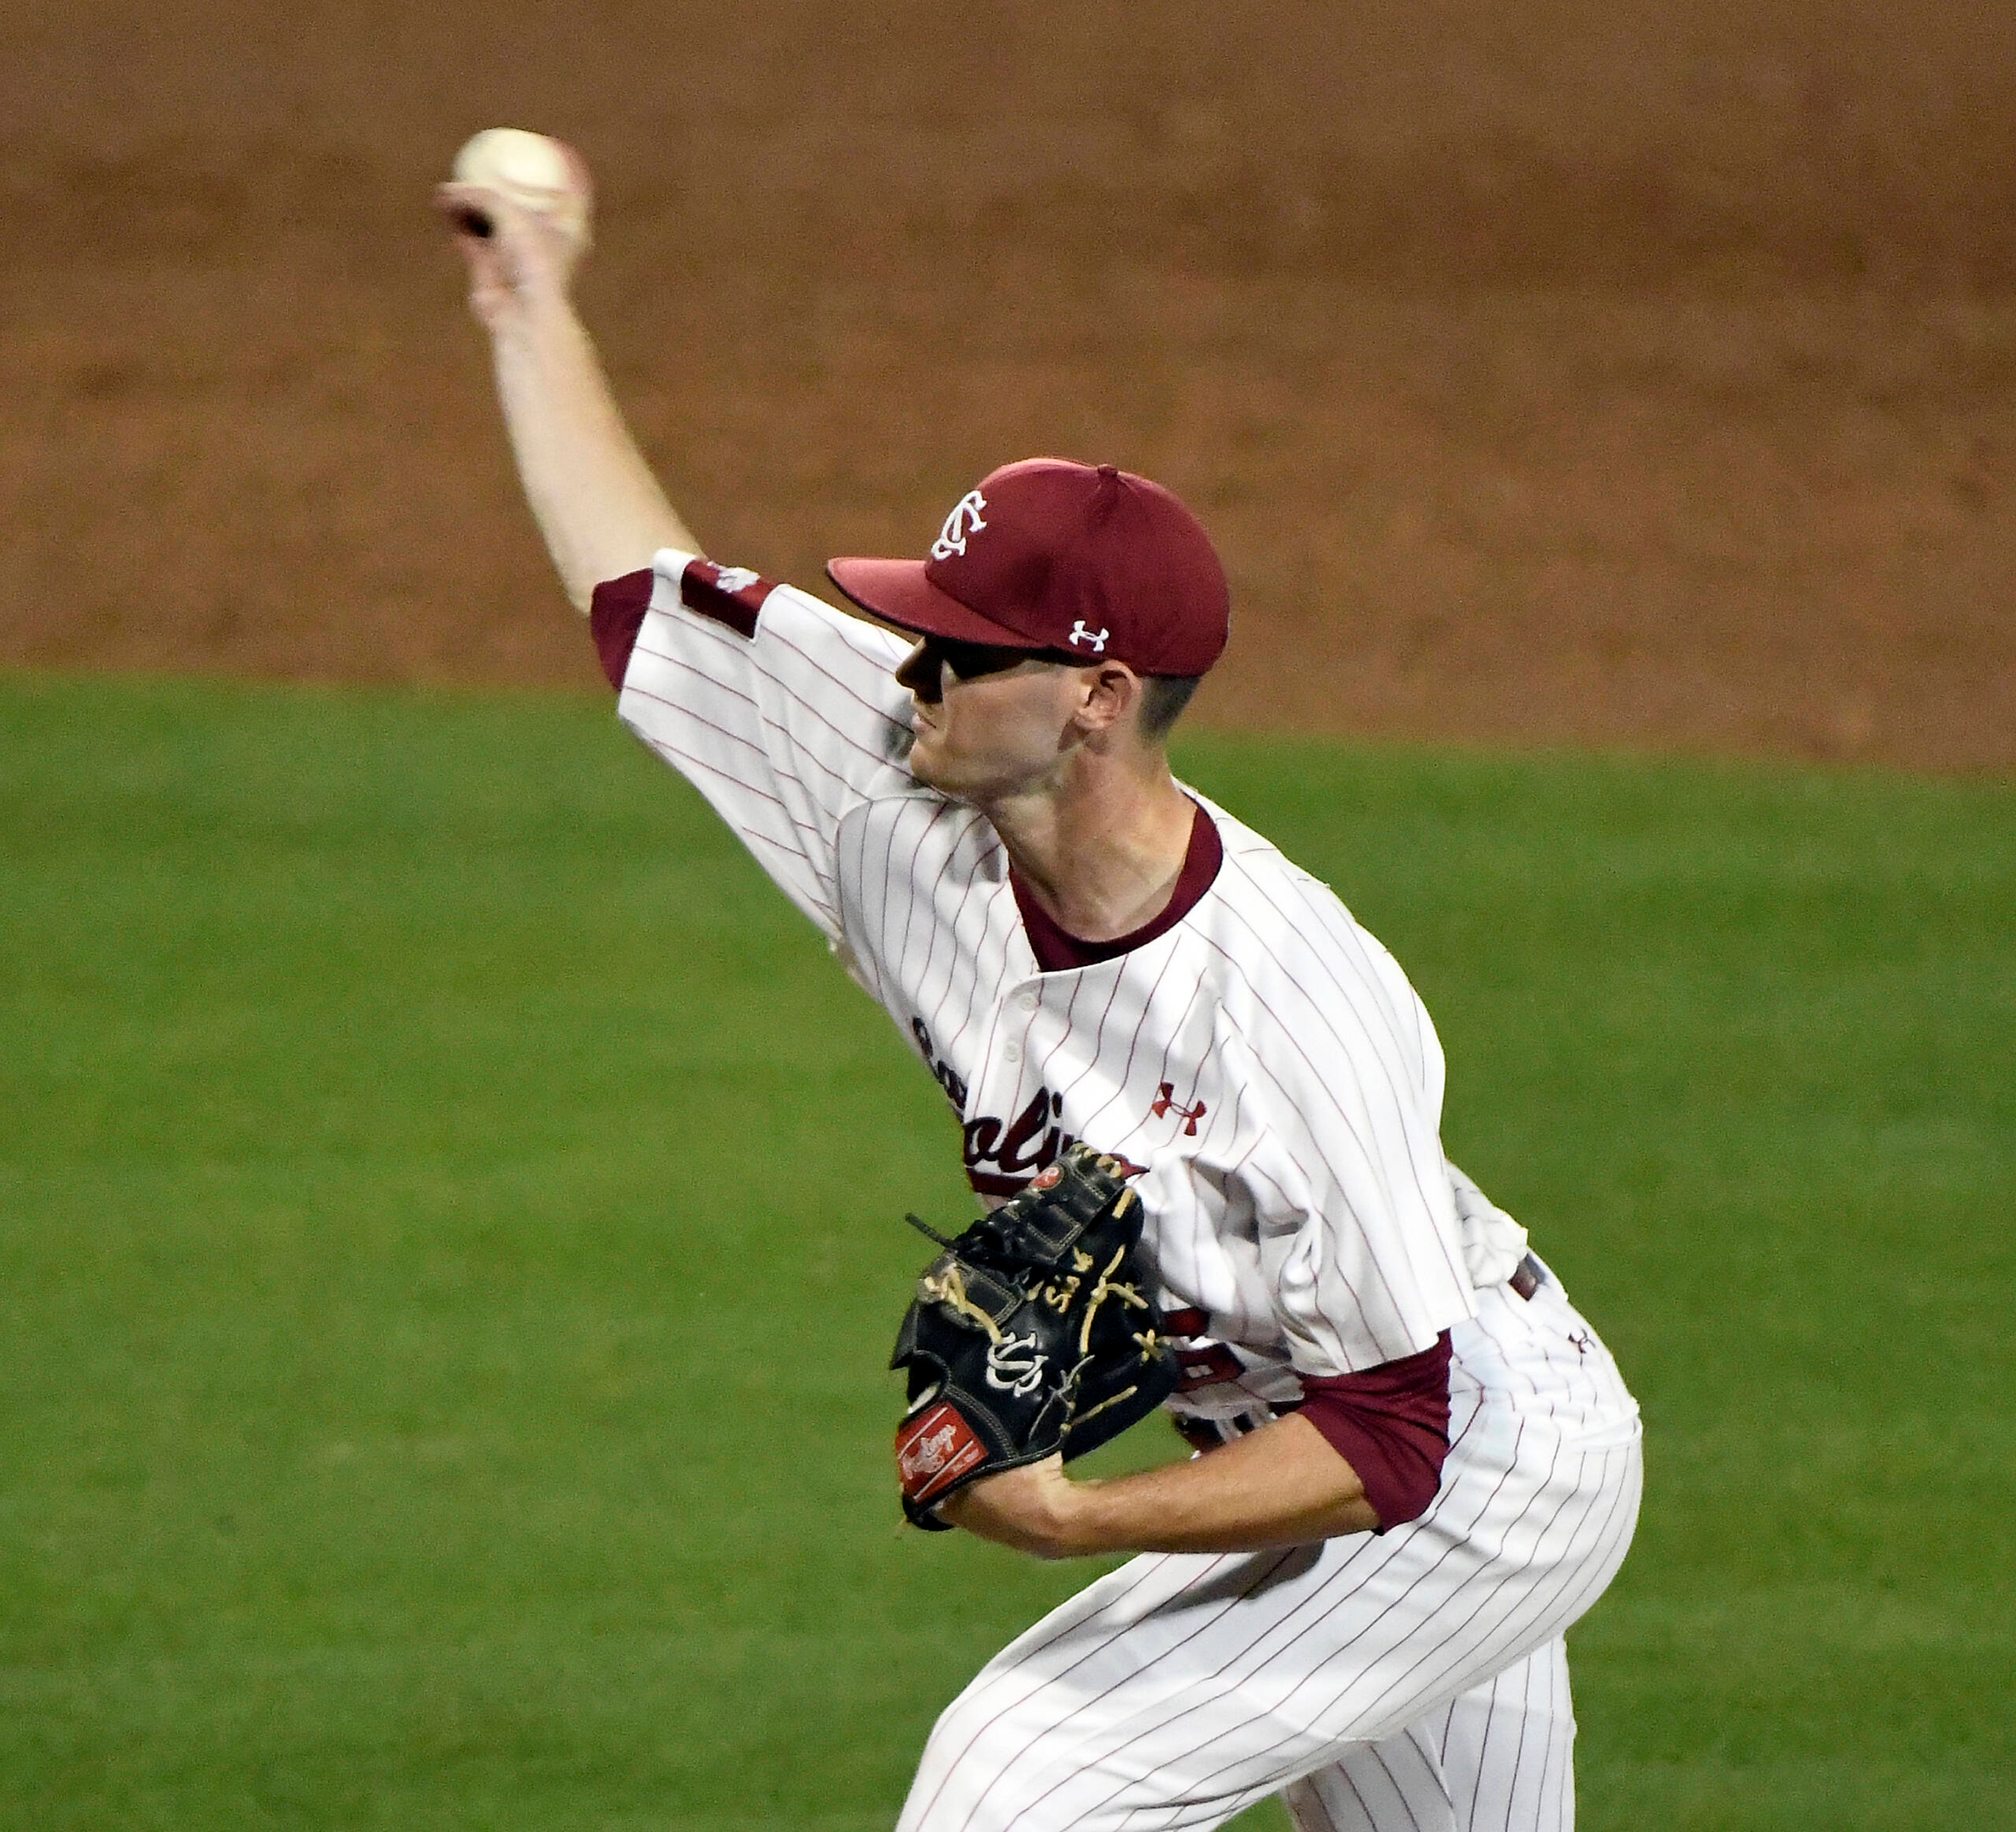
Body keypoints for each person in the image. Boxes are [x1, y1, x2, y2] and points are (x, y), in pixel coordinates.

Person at [438, 160, 1642, 1832]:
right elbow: (646, 598)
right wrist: (532, 304)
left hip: (1473, 1467)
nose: (912, 667)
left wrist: (1077, 1517)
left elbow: (1397, 1433)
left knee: (1015, 1785)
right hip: (1317, 1428)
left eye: (961, 647)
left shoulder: (1290, 1010)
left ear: (1096, 695)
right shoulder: (901, 777)